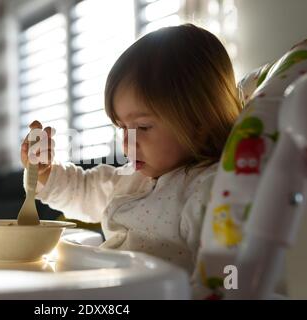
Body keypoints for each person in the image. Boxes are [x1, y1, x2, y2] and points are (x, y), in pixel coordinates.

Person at [20, 24, 241, 275]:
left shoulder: (207, 191)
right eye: (121, 127)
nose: (127, 142)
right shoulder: (130, 178)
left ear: (199, 123)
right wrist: (46, 172)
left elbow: (223, 275)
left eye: (143, 127)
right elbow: (84, 189)